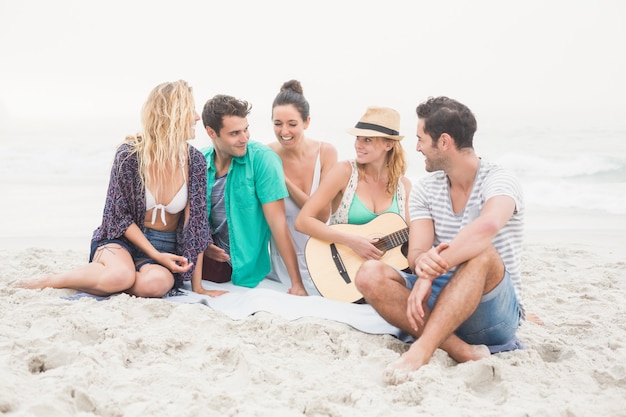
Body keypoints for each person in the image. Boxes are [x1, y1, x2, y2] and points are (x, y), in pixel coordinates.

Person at [354, 96, 526, 377]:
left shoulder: (500, 180)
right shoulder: (424, 189)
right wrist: (422, 269)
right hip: (438, 303)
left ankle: (421, 350)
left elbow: (487, 227)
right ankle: (459, 350)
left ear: (444, 142)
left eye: (421, 139)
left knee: (481, 252)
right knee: (368, 274)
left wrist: (429, 275)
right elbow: (417, 252)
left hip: (491, 311)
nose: (417, 147)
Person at [17, 80, 224, 298]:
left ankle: (108, 279)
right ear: (172, 114)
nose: (196, 117)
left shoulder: (195, 161)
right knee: (120, 277)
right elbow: (118, 216)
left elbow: (196, 225)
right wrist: (154, 254)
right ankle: (52, 280)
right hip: (120, 239)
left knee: (155, 285)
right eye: (190, 110)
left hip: (166, 246)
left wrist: (198, 286)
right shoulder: (129, 155)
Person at [195, 94, 307, 296]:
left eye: (246, 129)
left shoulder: (262, 160)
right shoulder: (199, 160)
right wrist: (203, 245)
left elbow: (278, 224)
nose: (244, 138)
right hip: (200, 254)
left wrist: (297, 283)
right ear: (211, 132)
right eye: (235, 133)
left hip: (237, 264)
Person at [294, 106, 411, 299]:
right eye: (358, 138)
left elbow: (413, 238)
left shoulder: (404, 186)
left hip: (380, 280)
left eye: (367, 140)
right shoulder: (344, 173)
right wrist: (352, 242)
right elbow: (303, 221)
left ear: (388, 144)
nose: (358, 145)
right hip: (339, 276)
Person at [264, 80, 338, 296]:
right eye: (277, 123)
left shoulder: (326, 153)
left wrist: (284, 180)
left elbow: (321, 215)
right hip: (282, 264)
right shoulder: (267, 155)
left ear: (306, 122)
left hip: (322, 257)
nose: (284, 131)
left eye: (292, 124)